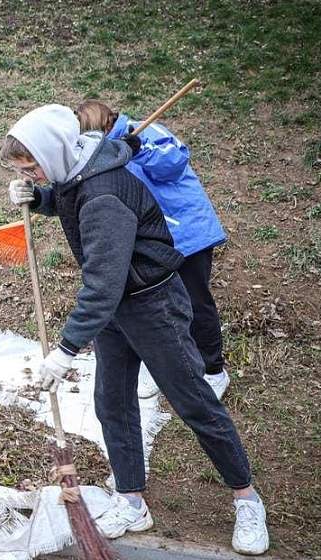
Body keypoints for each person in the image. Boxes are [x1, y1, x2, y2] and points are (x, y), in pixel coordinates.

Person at [1, 104, 269, 555]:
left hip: (152, 304)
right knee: (113, 402)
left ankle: (247, 498)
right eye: (23, 172)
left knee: (194, 401)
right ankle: (131, 501)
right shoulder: (78, 165)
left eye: (32, 168)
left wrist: (66, 349)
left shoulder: (104, 195)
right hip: (117, 309)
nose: (31, 175)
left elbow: (102, 285)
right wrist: (40, 198)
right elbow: (68, 196)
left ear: (55, 151)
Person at [76, 100, 230, 400]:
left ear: (105, 125)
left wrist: (140, 148)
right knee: (160, 307)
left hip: (186, 233)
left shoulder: (146, 131)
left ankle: (213, 370)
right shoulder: (101, 150)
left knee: (195, 303)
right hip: (153, 239)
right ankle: (167, 368)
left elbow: (175, 161)